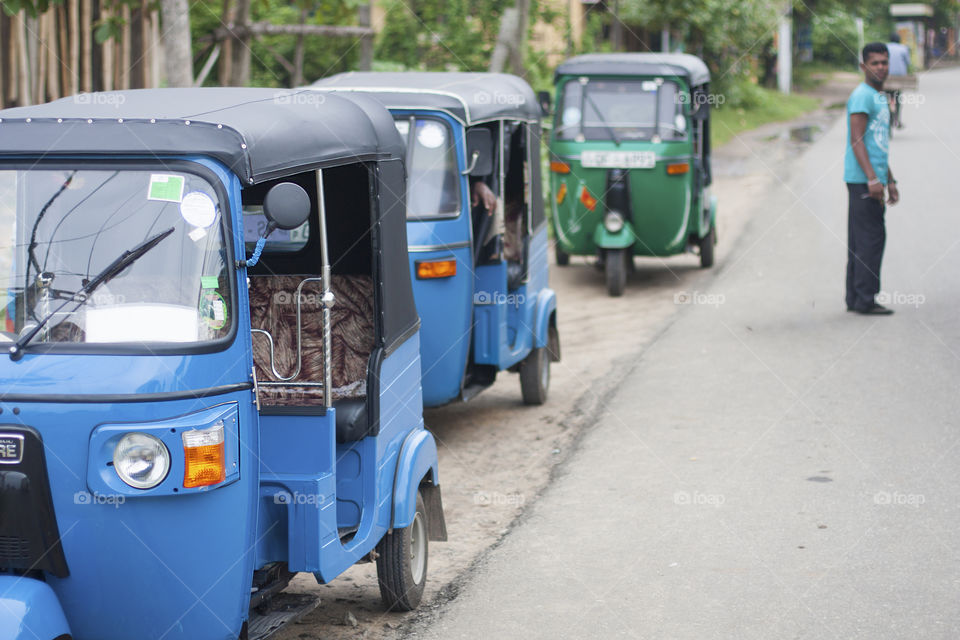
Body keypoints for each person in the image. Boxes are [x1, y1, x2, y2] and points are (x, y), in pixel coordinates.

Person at [844, 42, 900, 315]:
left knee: (860, 239)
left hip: (872, 178)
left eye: (884, 62)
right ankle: (865, 299)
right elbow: (857, 139)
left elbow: (877, 144)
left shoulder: (879, 96)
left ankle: (855, 298)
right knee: (871, 239)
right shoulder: (862, 96)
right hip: (863, 179)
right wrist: (872, 179)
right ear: (863, 66)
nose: (881, 67)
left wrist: (890, 179)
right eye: (875, 62)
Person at [885, 33, 911, 128]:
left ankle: (886, 117)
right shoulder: (903, 48)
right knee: (897, 98)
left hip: (886, 77)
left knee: (886, 97)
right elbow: (908, 62)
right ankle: (897, 119)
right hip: (899, 78)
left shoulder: (885, 47)